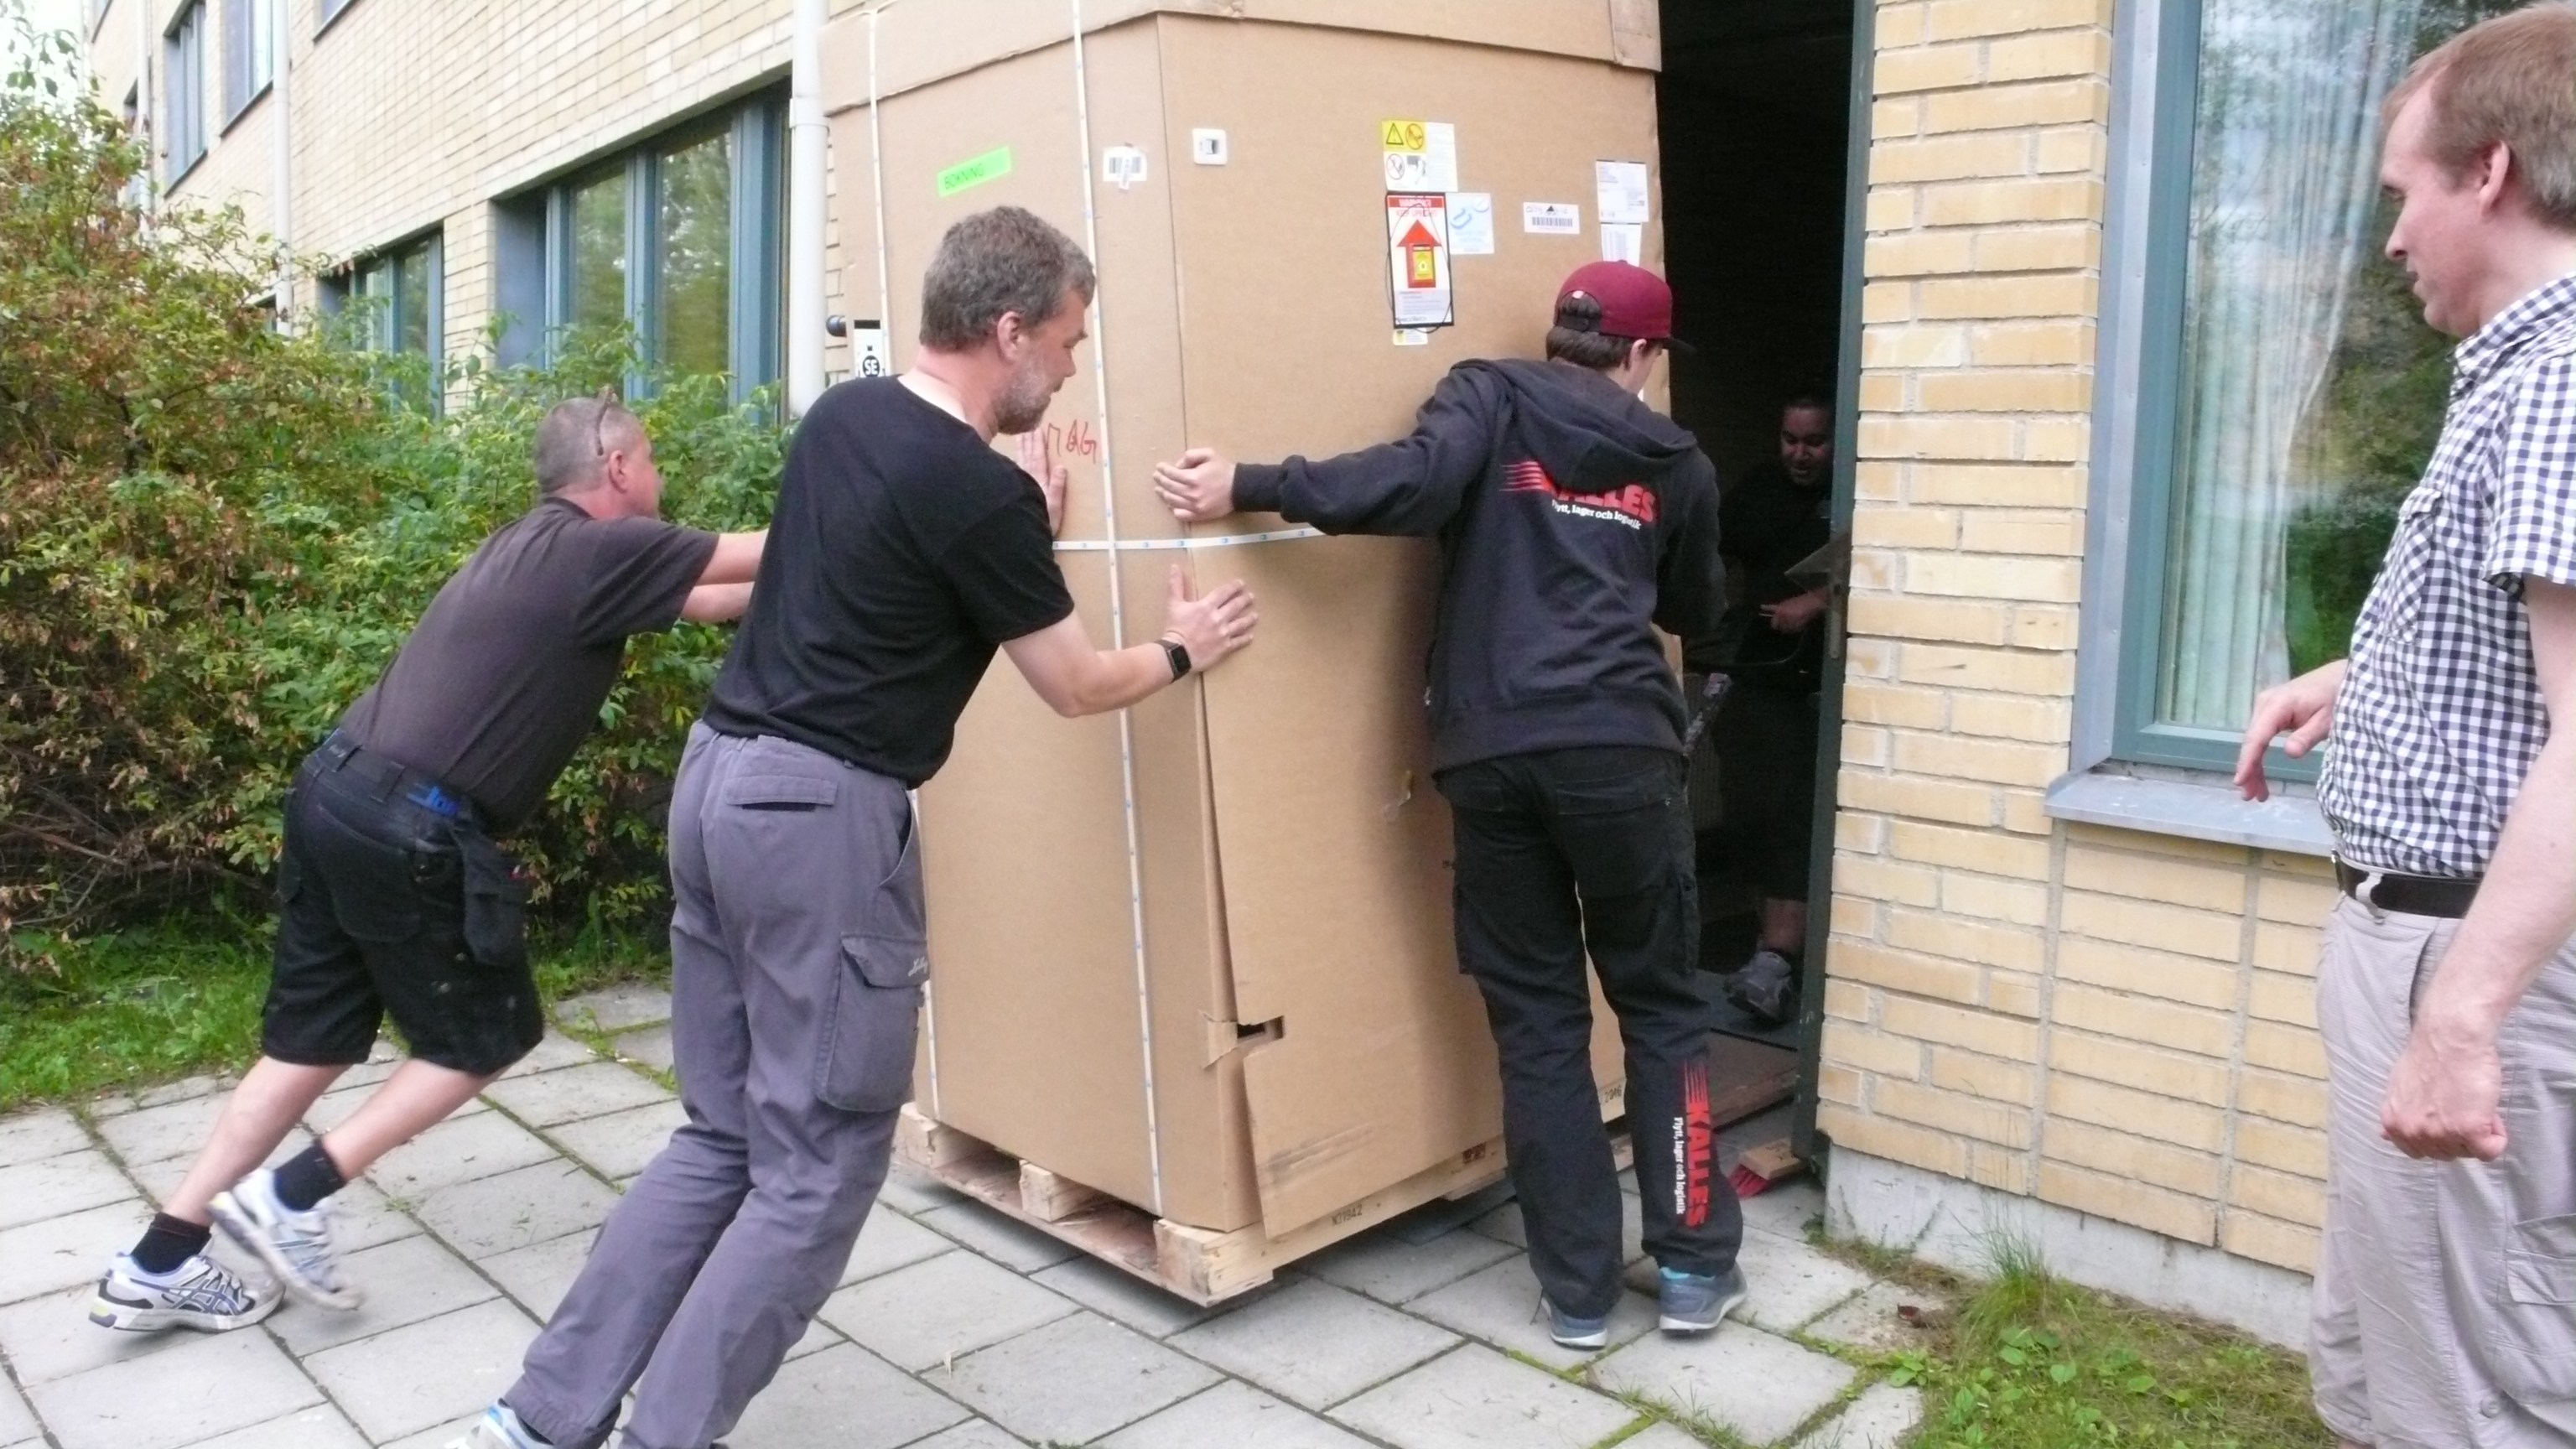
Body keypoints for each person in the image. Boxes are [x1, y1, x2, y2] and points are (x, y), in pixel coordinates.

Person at [459, 205, 1257, 1449]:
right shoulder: (978, 493)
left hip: (717, 784)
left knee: (722, 1134)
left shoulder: (844, 419)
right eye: (1068, 339)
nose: (1073, 364)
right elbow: (1075, 684)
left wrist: (1021, 535)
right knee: (820, 1164)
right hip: (815, 822)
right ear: (1010, 332)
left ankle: (537, 1417)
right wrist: (1181, 646)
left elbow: (877, 569)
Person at [1152, 260, 1743, 1348]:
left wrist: (1249, 481)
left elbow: (1410, 484)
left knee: (1540, 1026)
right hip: (1621, 752)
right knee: (1661, 1007)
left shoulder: (1488, 395)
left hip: (1492, 751)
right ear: (1643, 355)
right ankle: (1694, 1267)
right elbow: (1693, 605)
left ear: (1561, 334)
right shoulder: (1678, 461)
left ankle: (1578, 1295)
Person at [90, 395, 766, 1332]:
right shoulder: (599, 548)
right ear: (616, 467)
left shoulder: (534, 547)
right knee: (485, 1037)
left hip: (335, 793)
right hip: (408, 825)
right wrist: (889, 515)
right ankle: (291, 1195)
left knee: (311, 1043)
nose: (659, 478)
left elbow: (719, 597)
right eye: (650, 460)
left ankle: (157, 1260)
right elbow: (768, 550)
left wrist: (813, 586)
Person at [2233, 8, 2575, 1446]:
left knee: (2475, 1388)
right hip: (2437, 939)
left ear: (2487, 171)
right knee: (2396, 1353)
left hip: (2471, 955)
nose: (2388, 240)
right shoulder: (2521, 371)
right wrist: (2365, 675)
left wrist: (2461, 1016)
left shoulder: (2560, 383)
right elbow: (2527, 667)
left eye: (2400, 193)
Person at [1691, 395, 1835, 1026]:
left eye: (1814, 442)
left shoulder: (1858, 493)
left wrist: (1820, 600)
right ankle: (1767, 955)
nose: (1800, 454)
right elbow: (1709, 554)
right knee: (1749, 813)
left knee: (1791, 818)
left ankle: (1779, 958)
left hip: (1818, 682)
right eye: (1790, 439)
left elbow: (1888, 559)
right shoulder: (1759, 489)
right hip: (1756, 671)